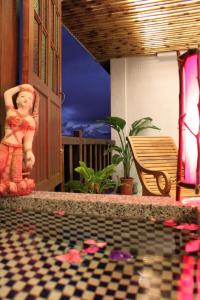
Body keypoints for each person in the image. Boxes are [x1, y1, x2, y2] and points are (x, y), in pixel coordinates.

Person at [0, 84, 39, 196]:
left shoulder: (31, 121)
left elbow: (28, 142)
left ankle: (8, 190)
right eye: (22, 96)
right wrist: (22, 87)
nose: (26, 99)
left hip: (17, 149)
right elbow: (7, 93)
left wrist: (29, 152)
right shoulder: (11, 111)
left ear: (32, 104)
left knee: (14, 175)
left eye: (29, 98)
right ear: (16, 100)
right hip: (4, 146)